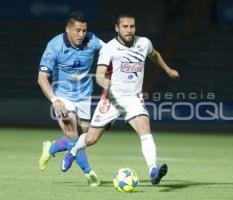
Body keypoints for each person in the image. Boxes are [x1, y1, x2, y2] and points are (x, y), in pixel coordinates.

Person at [61, 14, 180, 185]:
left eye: (132, 26)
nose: (129, 30)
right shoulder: (109, 49)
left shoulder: (144, 43)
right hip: (111, 100)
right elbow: (100, 75)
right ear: (117, 28)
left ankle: (153, 170)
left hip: (133, 98)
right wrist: (104, 82)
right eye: (125, 27)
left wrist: (168, 70)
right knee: (91, 139)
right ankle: (73, 151)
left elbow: (154, 55)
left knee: (145, 128)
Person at [38, 11, 105, 187]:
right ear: (68, 29)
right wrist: (55, 100)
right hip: (62, 97)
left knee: (84, 139)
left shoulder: (92, 40)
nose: (81, 35)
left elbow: (111, 51)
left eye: (84, 30)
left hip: (84, 97)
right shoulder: (55, 45)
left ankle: (50, 148)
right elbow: (42, 78)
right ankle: (89, 173)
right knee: (72, 135)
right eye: (77, 30)